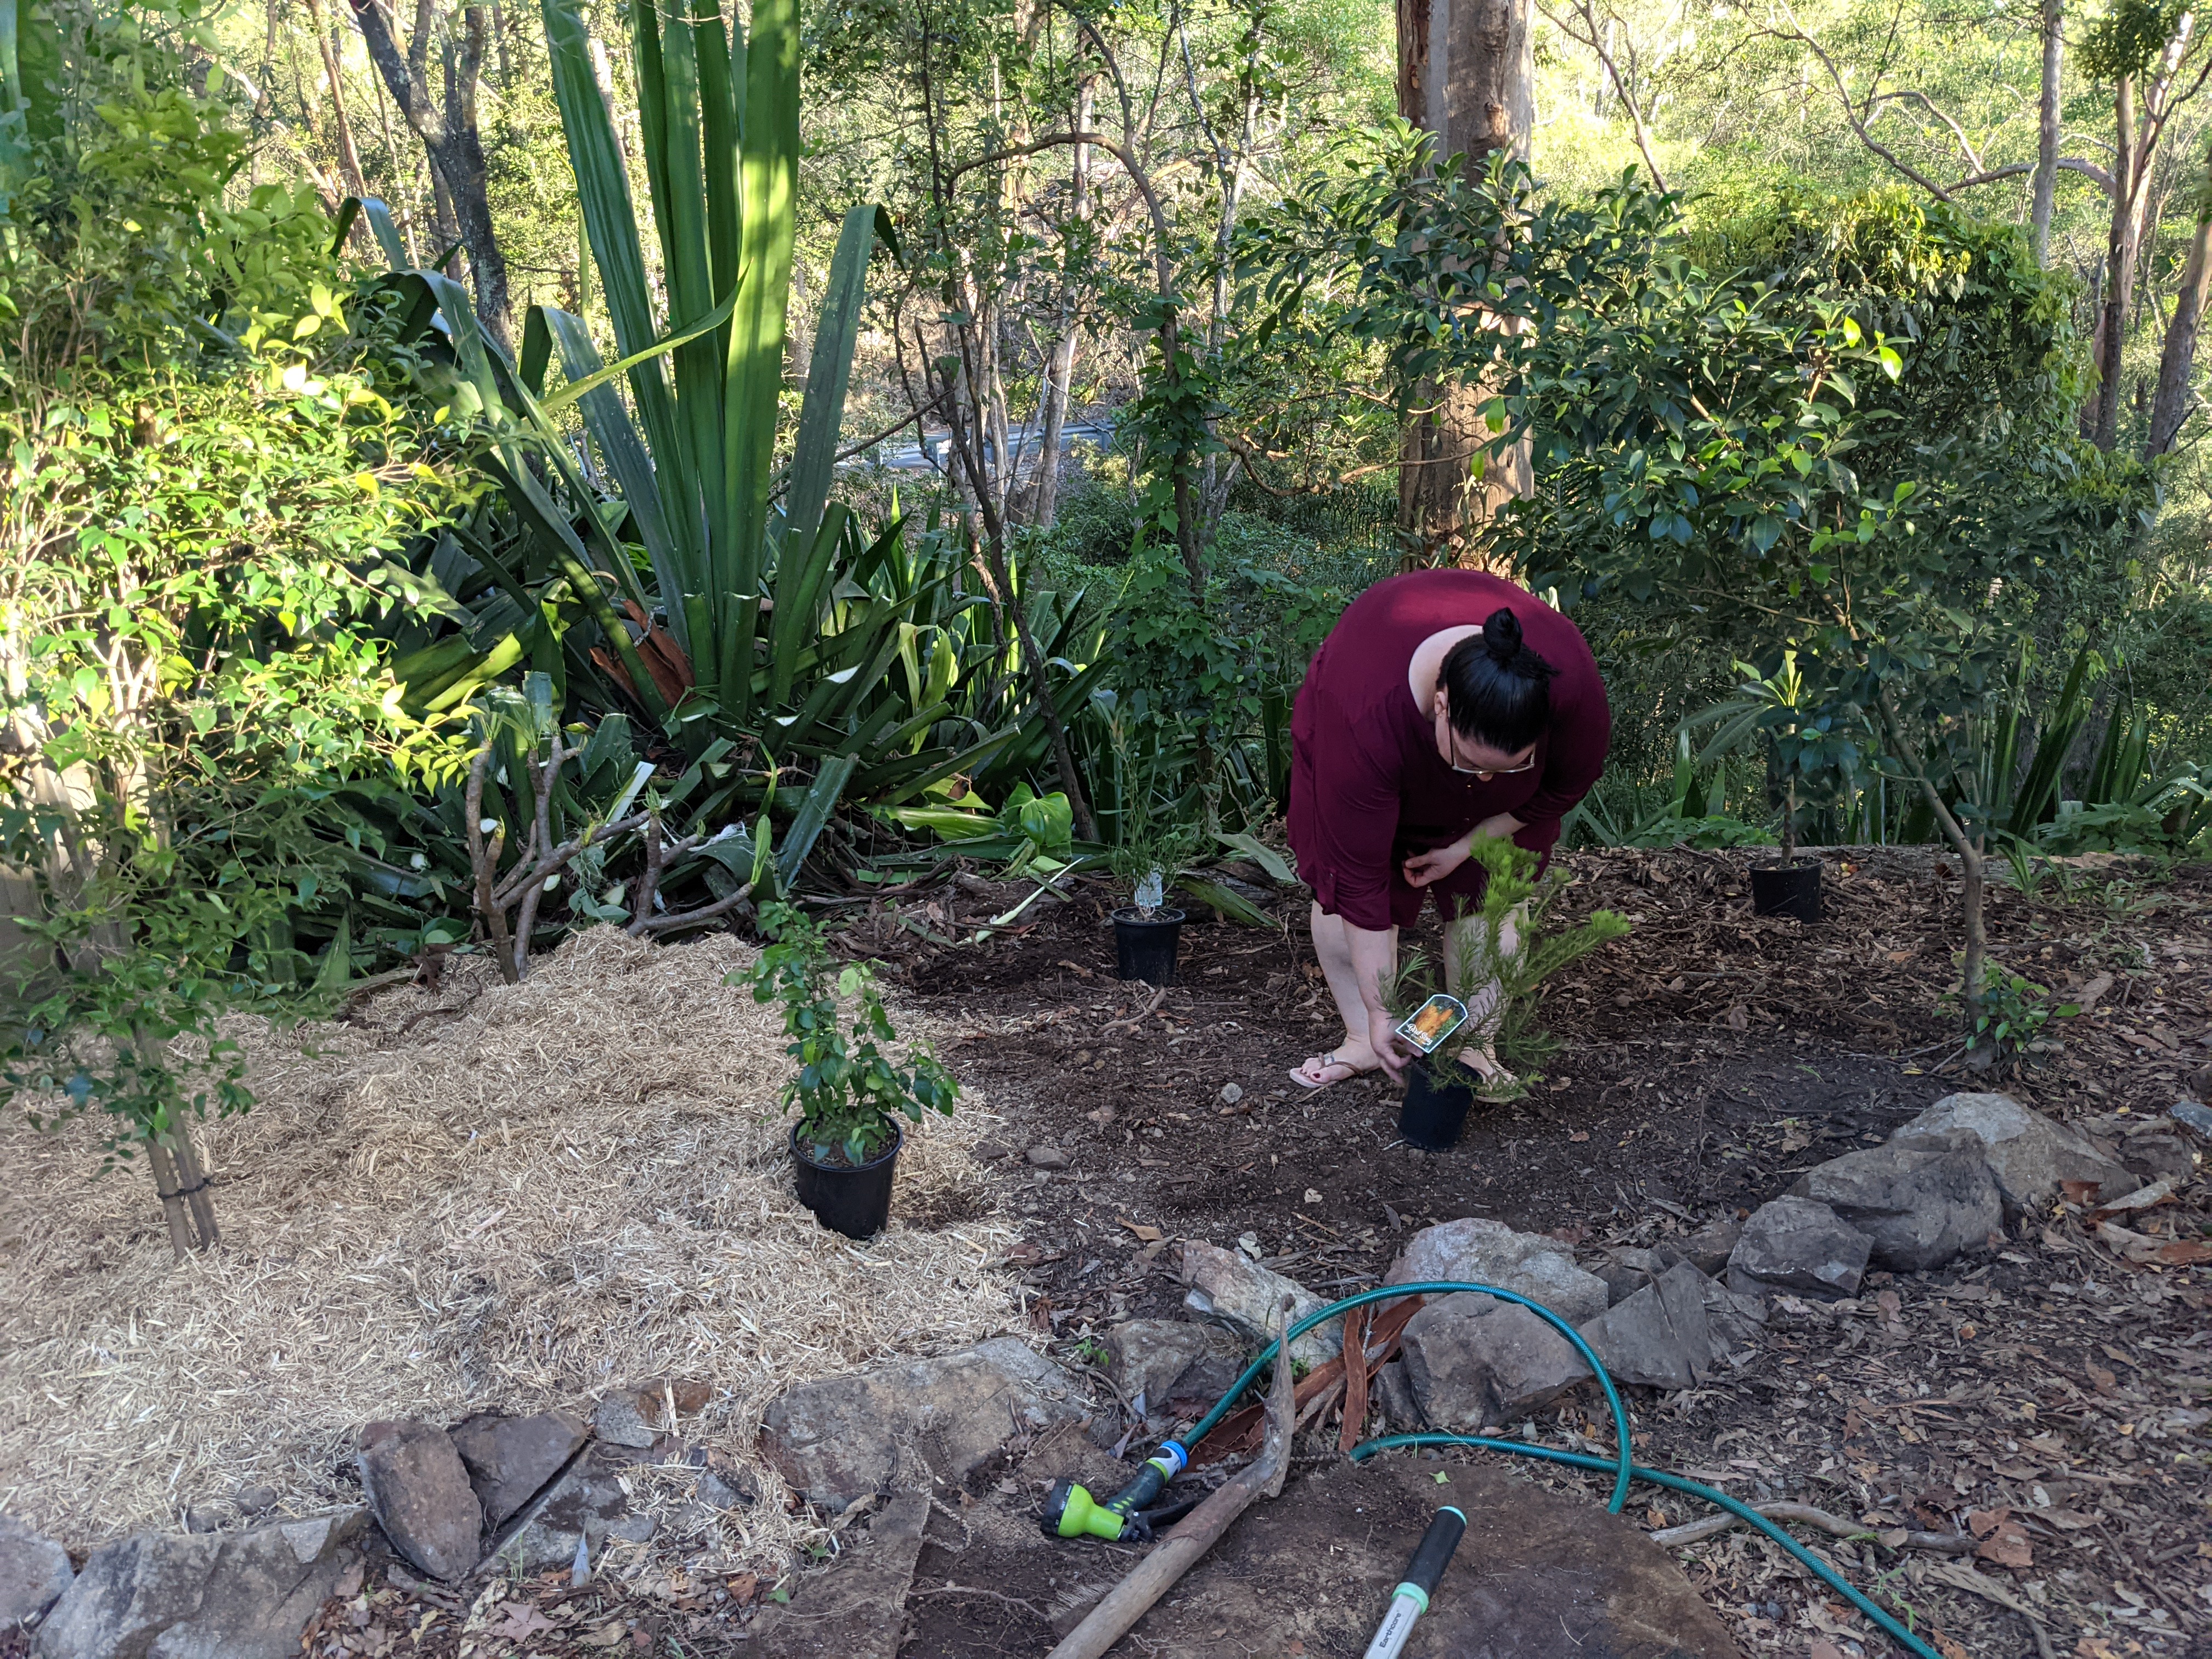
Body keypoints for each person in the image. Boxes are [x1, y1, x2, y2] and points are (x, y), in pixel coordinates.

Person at [1285, 569, 1609, 1089]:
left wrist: (1468, 844)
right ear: (1441, 706)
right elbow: (1359, 879)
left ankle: (1475, 1047)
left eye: (1508, 767)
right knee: (1345, 895)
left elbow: (1565, 787)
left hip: (1490, 781)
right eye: (1473, 764)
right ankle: (1362, 1041)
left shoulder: (1572, 687)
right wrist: (1381, 1013)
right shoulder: (1363, 715)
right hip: (1372, 735)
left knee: (1490, 895)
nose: (1484, 780)